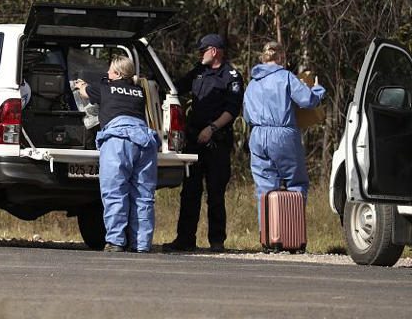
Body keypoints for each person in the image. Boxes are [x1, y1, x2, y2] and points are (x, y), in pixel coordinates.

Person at [164, 33, 244, 253]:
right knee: (190, 192)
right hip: (194, 141)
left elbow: (232, 109)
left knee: (216, 193)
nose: (200, 54)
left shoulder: (231, 76)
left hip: (216, 141)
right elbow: (175, 87)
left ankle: (217, 241)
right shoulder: (198, 72)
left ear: (215, 51)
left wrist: (212, 129)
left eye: (203, 50)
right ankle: (185, 239)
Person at [76, 56, 160, 253]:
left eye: (110, 71)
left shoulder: (104, 88)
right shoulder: (139, 91)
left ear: (118, 73)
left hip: (118, 141)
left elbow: (84, 93)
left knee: (115, 192)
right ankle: (141, 244)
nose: (107, 73)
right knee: (143, 196)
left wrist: (81, 84)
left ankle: (116, 241)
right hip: (144, 141)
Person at [243, 41, 325, 224]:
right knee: (296, 183)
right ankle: (292, 235)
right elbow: (307, 101)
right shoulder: (286, 77)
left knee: (265, 188)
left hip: (257, 135)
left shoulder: (252, 84)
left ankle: (268, 236)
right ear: (281, 57)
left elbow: (247, 116)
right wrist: (317, 90)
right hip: (283, 134)